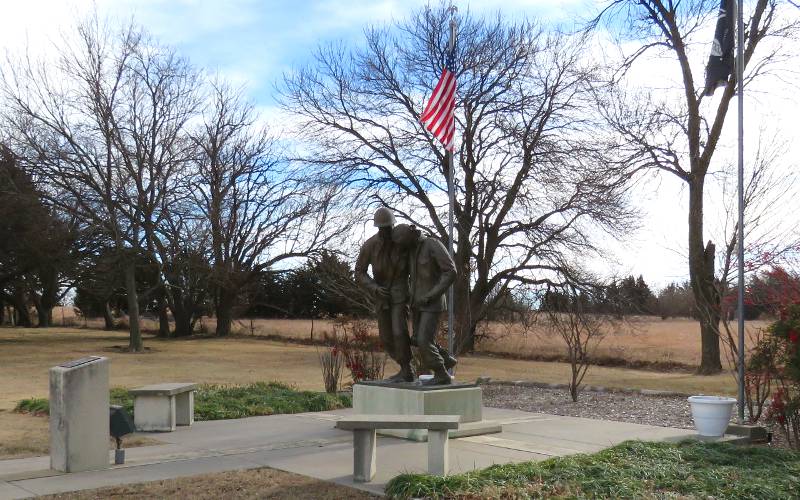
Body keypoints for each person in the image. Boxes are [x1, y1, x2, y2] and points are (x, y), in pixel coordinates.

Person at [355, 207, 415, 382]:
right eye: (383, 228)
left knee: (399, 331)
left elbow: (418, 254)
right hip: (381, 295)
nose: (387, 232)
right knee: (386, 338)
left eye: (389, 227)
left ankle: (406, 369)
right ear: (378, 228)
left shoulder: (402, 242)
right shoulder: (370, 245)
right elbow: (359, 272)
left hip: (400, 292)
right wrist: (374, 287)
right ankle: (406, 365)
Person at [392, 223, 457, 385]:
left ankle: (442, 374)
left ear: (411, 236)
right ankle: (446, 359)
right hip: (417, 304)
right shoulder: (411, 251)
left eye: (403, 244)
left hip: (432, 303)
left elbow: (450, 271)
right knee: (416, 339)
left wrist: (431, 295)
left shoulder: (432, 244)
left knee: (423, 340)